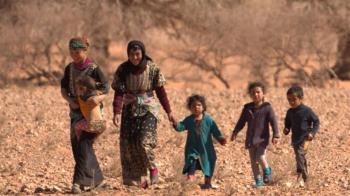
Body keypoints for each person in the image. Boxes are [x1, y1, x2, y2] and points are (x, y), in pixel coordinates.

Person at [111, 40, 174, 188]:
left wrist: (169, 112)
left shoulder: (152, 69)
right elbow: (119, 93)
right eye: (132, 54)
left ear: (143, 53)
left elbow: (161, 93)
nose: (135, 57)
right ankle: (138, 180)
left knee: (144, 141)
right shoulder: (122, 70)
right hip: (129, 109)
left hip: (148, 108)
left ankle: (153, 169)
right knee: (129, 144)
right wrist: (116, 112)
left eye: (138, 54)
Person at [60, 37, 109, 194]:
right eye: (72, 51)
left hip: (93, 115)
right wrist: (69, 100)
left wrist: (97, 98)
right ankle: (97, 180)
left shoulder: (94, 68)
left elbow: (106, 88)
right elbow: (63, 89)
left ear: (85, 50)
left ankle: (78, 183)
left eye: (78, 51)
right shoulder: (69, 69)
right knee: (80, 148)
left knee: (83, 146)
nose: (75, 54)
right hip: (75, 114)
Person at [231, 82, 280, 188]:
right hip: (250, 139)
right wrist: (235, 131)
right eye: (253, 93)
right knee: (253, 162)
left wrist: (276, 135)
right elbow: (241, 121)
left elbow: (273, 122)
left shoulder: (267, 107)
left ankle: (267, 171)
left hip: (262, 139)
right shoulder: (247, 108)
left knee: (260, 156)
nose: (256, 94)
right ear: (250, 94)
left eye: (258, 92)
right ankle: (258, 181)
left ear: (263, 93)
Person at [172, 94, 226, 189]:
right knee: (191, 161)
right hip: (192, 148)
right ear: (190, 108)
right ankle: (190, 182)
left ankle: (207, 183)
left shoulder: (208, 120)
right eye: (193, 106)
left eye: (199, 105)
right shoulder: (189, 120)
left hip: (206, 149)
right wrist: (175, 123)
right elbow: (181, 127)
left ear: (203, 107)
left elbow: (215, 131)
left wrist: (221, 139)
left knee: (208, 164)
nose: (196, 107)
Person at [283, 85, 320, 186]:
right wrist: (286, 128)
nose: (291, 102)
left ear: (301, 98)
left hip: (305, 139)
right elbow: (287, 122)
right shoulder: (290, 112)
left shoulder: (307, 111)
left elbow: (316, 121)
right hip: (295, 139)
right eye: (289, 100)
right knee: (300, 157)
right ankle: (303, 175)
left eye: (294, 99)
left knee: (300, 155)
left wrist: (312, 133)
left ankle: (303, 176)